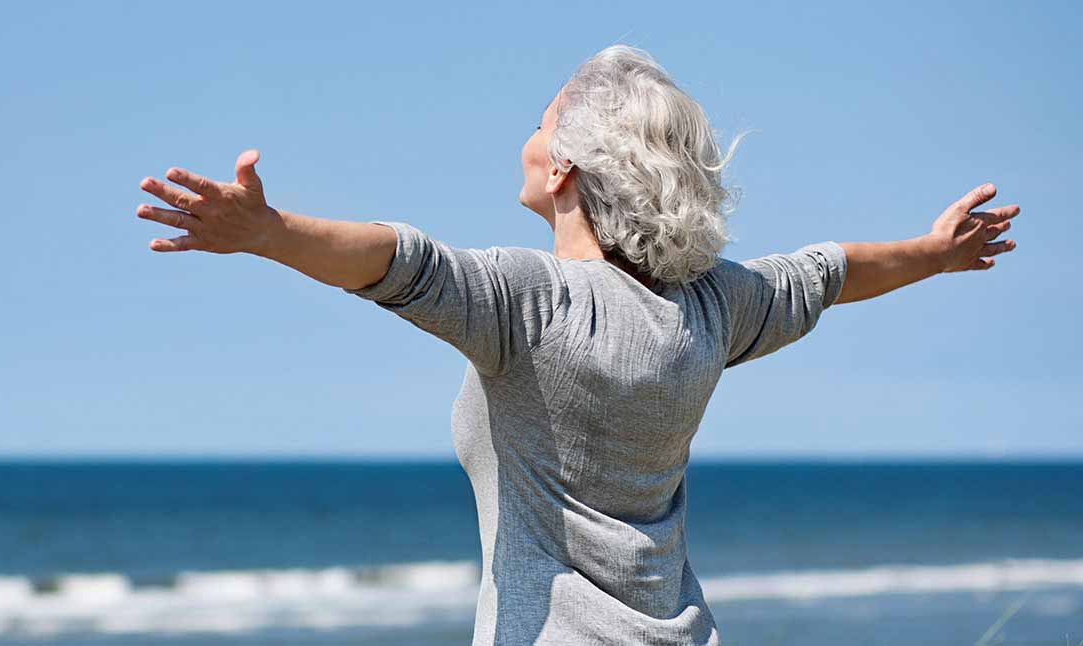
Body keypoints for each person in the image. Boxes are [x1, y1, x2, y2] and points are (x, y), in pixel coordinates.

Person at [130, 44, 1021, 645]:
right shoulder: (711, 308)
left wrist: (271, 231)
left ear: (562, 168)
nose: (524, 136)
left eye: (539, 121)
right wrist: (935, 257)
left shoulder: (531, 305)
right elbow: (826, 272)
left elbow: (399, 260)